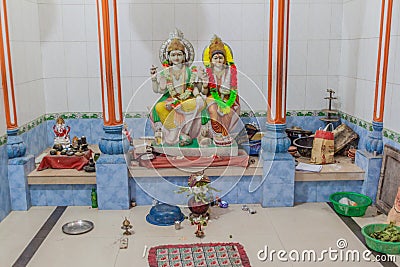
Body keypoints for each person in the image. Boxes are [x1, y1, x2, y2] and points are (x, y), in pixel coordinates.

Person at [150, 31, 206, 146]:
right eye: (173, 55)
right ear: (169, 57)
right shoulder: (166, 73)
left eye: (179, 54)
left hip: (186, 100)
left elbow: (194, 88)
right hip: (171, 100)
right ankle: (176, 132)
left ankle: (182, 133)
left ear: (184, 56)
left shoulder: (190, 71)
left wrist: (199, 94)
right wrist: (154, 79)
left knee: (201, 102)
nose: (176, 57)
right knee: (159, 107)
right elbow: (159, 90)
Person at [202, 35, 240, 146]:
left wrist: (228, 98)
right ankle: (217, 133)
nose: (218, 60)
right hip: (212, 97)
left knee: (230, 109)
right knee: (213, 108)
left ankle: (225, 132)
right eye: (215, 58)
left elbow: (233, 89)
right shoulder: (208, 72)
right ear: (211, 60)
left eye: (220, 57)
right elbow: (204, 92)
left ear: (225, 59)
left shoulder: (230, 72)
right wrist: (204, 85)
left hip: (227, 97)